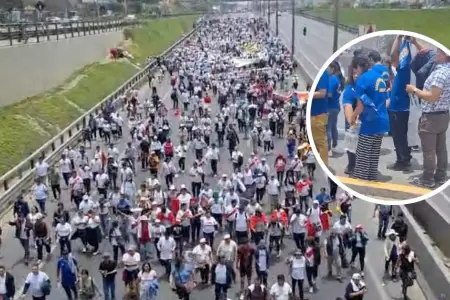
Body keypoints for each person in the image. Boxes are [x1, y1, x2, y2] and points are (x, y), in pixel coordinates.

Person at [406, 47, 450, 187]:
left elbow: (432, 96)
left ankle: (428, 179)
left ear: (444, 56)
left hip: (431, 116)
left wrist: (415, 90)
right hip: (443, 114)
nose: (436, 54)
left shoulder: (440, 74)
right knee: (441, 148)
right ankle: (441, 175)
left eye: (439, 52)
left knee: (429, 150)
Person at [349, 55, 390, 181]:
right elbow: (386, 99)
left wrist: (353, 116)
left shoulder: (362, 80)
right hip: (382, 119)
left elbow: (361, 104)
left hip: (370, 121)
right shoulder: (379, 77)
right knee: (373, 153)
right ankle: (371, 177)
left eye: (355, 70)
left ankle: (362, 179)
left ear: (359, 68)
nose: (355, 73)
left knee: (363, 153)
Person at [309, 69, 329, 166]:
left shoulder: (323, 74)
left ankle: (324, 164)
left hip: (318, 114)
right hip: (314, 114)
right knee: (315, 141)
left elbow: (322, 93)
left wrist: (307, 95)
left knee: (321, 142)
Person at [327, 61, 345, 156]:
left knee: (328, 128)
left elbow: (329, 94)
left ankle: (328, 149)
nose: (327, 71)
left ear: (332, 69)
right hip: (336, 106)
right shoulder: (338, 80)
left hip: (330, 107)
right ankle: (335, 144)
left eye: (328, 69)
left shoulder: (332, 79)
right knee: (333, 126)